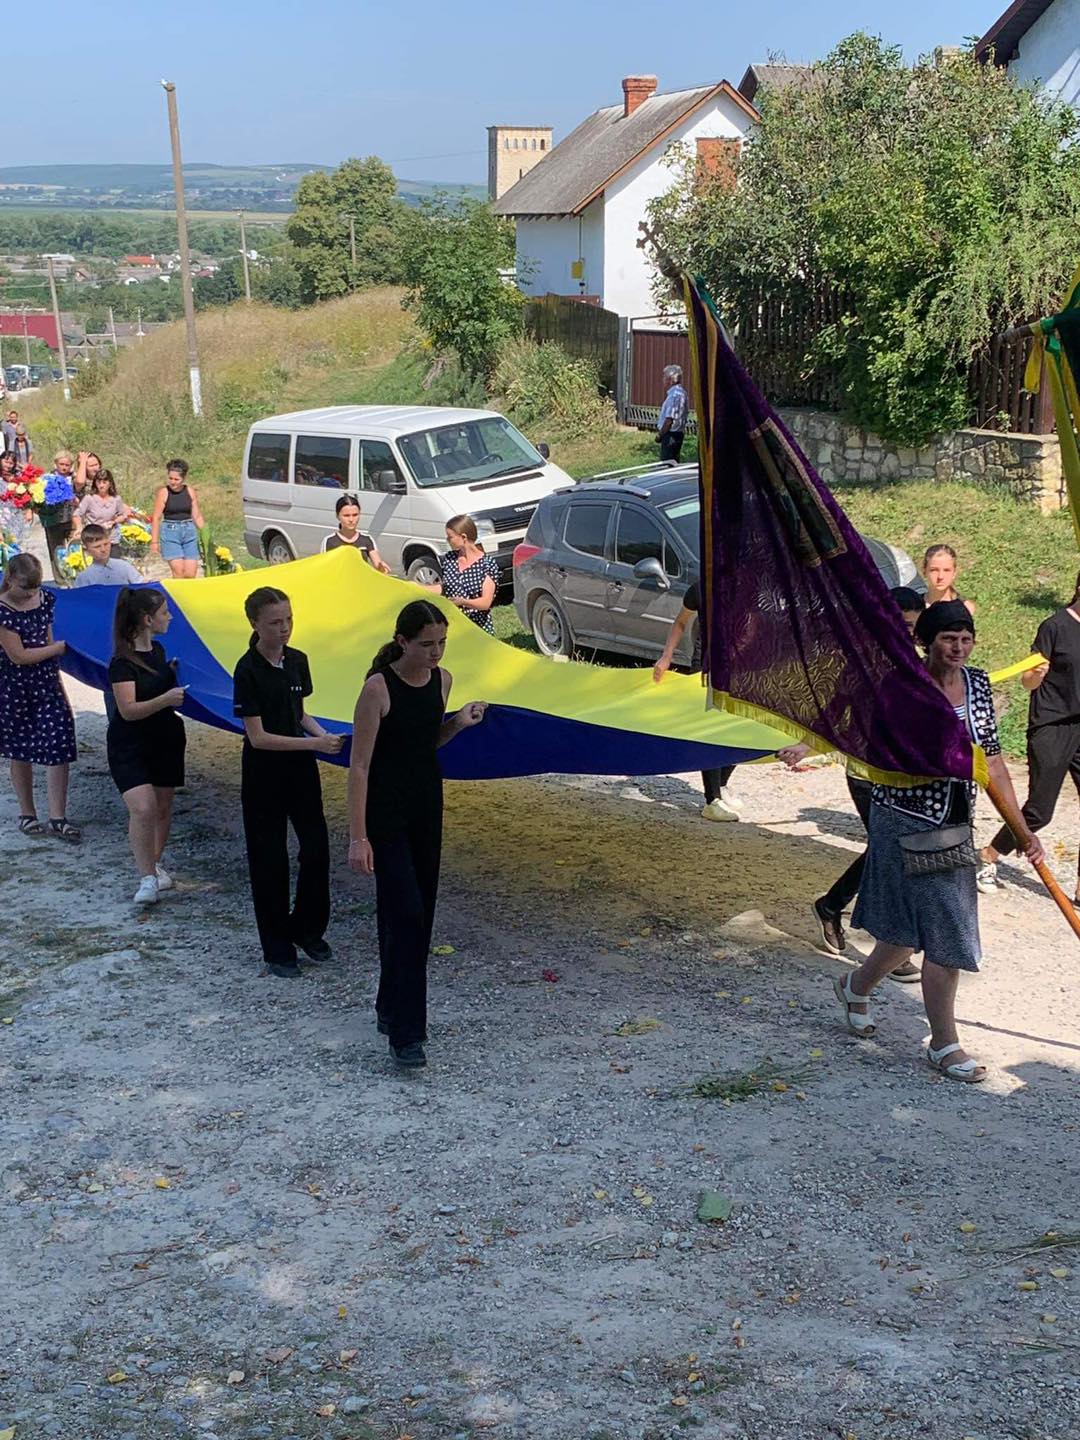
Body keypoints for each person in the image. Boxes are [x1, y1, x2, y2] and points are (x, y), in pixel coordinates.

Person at [833, 600, 1042, 1083]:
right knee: (932, 930)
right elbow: (857, 726)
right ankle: (944, 1044)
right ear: (928, 641)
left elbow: (992, 763)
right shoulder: (902, 685)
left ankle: (855, 985)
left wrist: (1021, 830)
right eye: (949, 638)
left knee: (919, 932)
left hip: (950, 823)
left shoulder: (978, 686)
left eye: (966, 639)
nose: (959, 647)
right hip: (900, 817)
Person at [347, 599, 487, 1068]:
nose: (437, 652)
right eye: (427, 644)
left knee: (418, 915)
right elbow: (360, 765)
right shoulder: (377, 688)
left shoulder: (442, 682)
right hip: (386, 813)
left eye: (443, 643)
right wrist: (357, 835)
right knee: (404, 911)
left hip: (427, 806)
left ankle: (390, 1005)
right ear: (403, 641)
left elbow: (426, 741)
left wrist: (459, 723)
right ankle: (408, 1035)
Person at [802, 587, 926, 979]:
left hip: (901, 772)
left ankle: (834, 906)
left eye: (913, 627)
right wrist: (807, 744)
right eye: (902, 625)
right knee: (892, 852)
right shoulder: (863, 660)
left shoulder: (918, 662)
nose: (908, 634)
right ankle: (890, 945)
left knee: (889, 850)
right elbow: (836, 706)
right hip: (865, 771)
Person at [232, 586, 345, 977]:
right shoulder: (247, 669)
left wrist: (323, 736)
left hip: (300, 766)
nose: (284, 629)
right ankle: (277, 948)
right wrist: (313, 742)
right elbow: (258, 736)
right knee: (269, 859)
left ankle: (307, 928)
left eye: (288, 620)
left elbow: (298, 712)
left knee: (316, 848)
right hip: (264, 771)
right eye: (275, 623)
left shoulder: (297, 660)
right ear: (255, 624)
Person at [978, 572, 1080, 903]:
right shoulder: (1055, 626)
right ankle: (989, 855)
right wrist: (1034, 676)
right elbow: (1027, 681)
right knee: (1039, 810)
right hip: (1051, 725)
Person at [108, 589, 187, 904]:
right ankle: (146, 878)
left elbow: (159, 678)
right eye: (165, 612)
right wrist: (167, 698)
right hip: (130, 744)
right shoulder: (121, 662)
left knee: (163, 807)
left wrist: (172, 671)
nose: (169, 617)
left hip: (165, 739)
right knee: (143, 808)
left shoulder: (159, 650)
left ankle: (152, 867)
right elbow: (128, 710)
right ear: (147, 619)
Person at [0, 553, 80, 842]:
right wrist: (57, 650)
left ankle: (58, 816)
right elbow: (18, 655)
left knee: (58, 743)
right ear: (10, 580)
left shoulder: (45, 599)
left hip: (46, 683)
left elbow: (45, 637)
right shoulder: (3, 610)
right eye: (25, 588)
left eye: (34, 588)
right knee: (20, 749)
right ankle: (27, 813)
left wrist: (57, 676)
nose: (31, 593)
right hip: (15, 686)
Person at [653, 577, 742, 821]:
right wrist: (666, 657)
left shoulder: (749, 585)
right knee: (712, 732)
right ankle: (711, 800)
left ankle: (722, 784)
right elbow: (681, 623)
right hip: (705, 668)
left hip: (738, 669)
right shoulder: (702, 588)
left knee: (740, 728)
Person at [428, 515, 500, 634]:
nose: (447, 540)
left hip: (478, 629)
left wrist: (463, 602)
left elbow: (485, 602)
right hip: (452, 627)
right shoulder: (449, 559)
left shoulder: (487, 564)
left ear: (463, 537)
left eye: (450, 537)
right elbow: (444, 588)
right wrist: (415, 586)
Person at [150, 459, 204, 579]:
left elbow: (197, 515)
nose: (173, 482)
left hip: (189, 531)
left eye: (176, 479)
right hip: (170, 532)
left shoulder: (190, 491)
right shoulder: (163, 492)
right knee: (179, 572)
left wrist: (206, 535)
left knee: (190, 573)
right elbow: (156, 517)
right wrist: (154, 541)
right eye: (170, 478)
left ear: (183, 479)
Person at [320, 493, 391, 571]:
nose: (351, 520)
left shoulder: (367, 540)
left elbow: (378, 564)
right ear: (337, 516)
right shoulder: (329, 541)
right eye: (346, 515)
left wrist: (382, 568)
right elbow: (324, 568)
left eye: (355, 515)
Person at [72, 468, 134, 553]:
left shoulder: (116, 499)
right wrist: (79, 528)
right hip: (93, 539)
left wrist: (114, 522)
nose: (101, 485)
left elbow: (122, 515)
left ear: (110, 483)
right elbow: (77, 514)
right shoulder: (89, 498)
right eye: (99, 482)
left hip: (111, 538)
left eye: (104, 482)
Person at [39, 450, 78, 580]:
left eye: (67, 465)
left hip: (71, 519)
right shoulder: (47, 478)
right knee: (56, 551)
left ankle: (76, 577)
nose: (64, 467)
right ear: (56, 464)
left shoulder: (74, 478)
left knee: (75, 548)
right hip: (53, 520)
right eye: (61, 464)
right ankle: (60, 579)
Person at [73, 524, 142, 588]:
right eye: (97, 547)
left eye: (106, 544)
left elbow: (141, 586)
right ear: (86, 548)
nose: (103, 549)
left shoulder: (124, 567)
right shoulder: (84, 577)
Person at [922, 544, 975, 615]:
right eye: (934, 570)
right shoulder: (913, 608)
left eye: (946, 570)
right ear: (924, 571)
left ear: (954, 573)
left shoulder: (966, 608)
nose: (940, 577)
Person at [656, 365, 689, 463]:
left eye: (664, 377)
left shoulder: (674, 396)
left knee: (667, 464)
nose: (663, 380)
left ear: (670, 380)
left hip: (671, 436)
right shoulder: (681, 393)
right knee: (673, 461)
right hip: (677, 435)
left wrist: (660, 435)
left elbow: (669, 420)